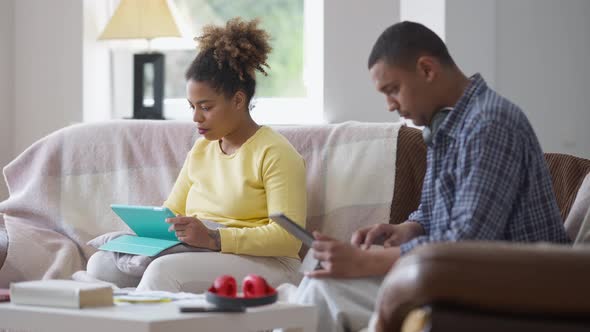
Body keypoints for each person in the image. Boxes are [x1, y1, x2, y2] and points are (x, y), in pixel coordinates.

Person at [285, 21, 570, 332]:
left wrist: (365, 261)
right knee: (322, 286)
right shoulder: (444, 125)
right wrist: (408, 228)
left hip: (516, 292)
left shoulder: (490, 124)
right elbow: (433, 210)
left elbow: (466, 246)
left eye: (392, 90)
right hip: (465, 281)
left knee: (326, 290)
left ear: (427, 69)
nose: (390, 105)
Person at [85, 17, 307, 292]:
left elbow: (288, 238)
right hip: (205, 252)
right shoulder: (202, 149)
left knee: (163, 271)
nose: (196, 117)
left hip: (270, 262)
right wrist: (157, 227)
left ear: (238, 100)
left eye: (206, 106)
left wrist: (215, 239)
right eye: (191, 106)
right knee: (101, 264)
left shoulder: (275, 153)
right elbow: (172, 212)